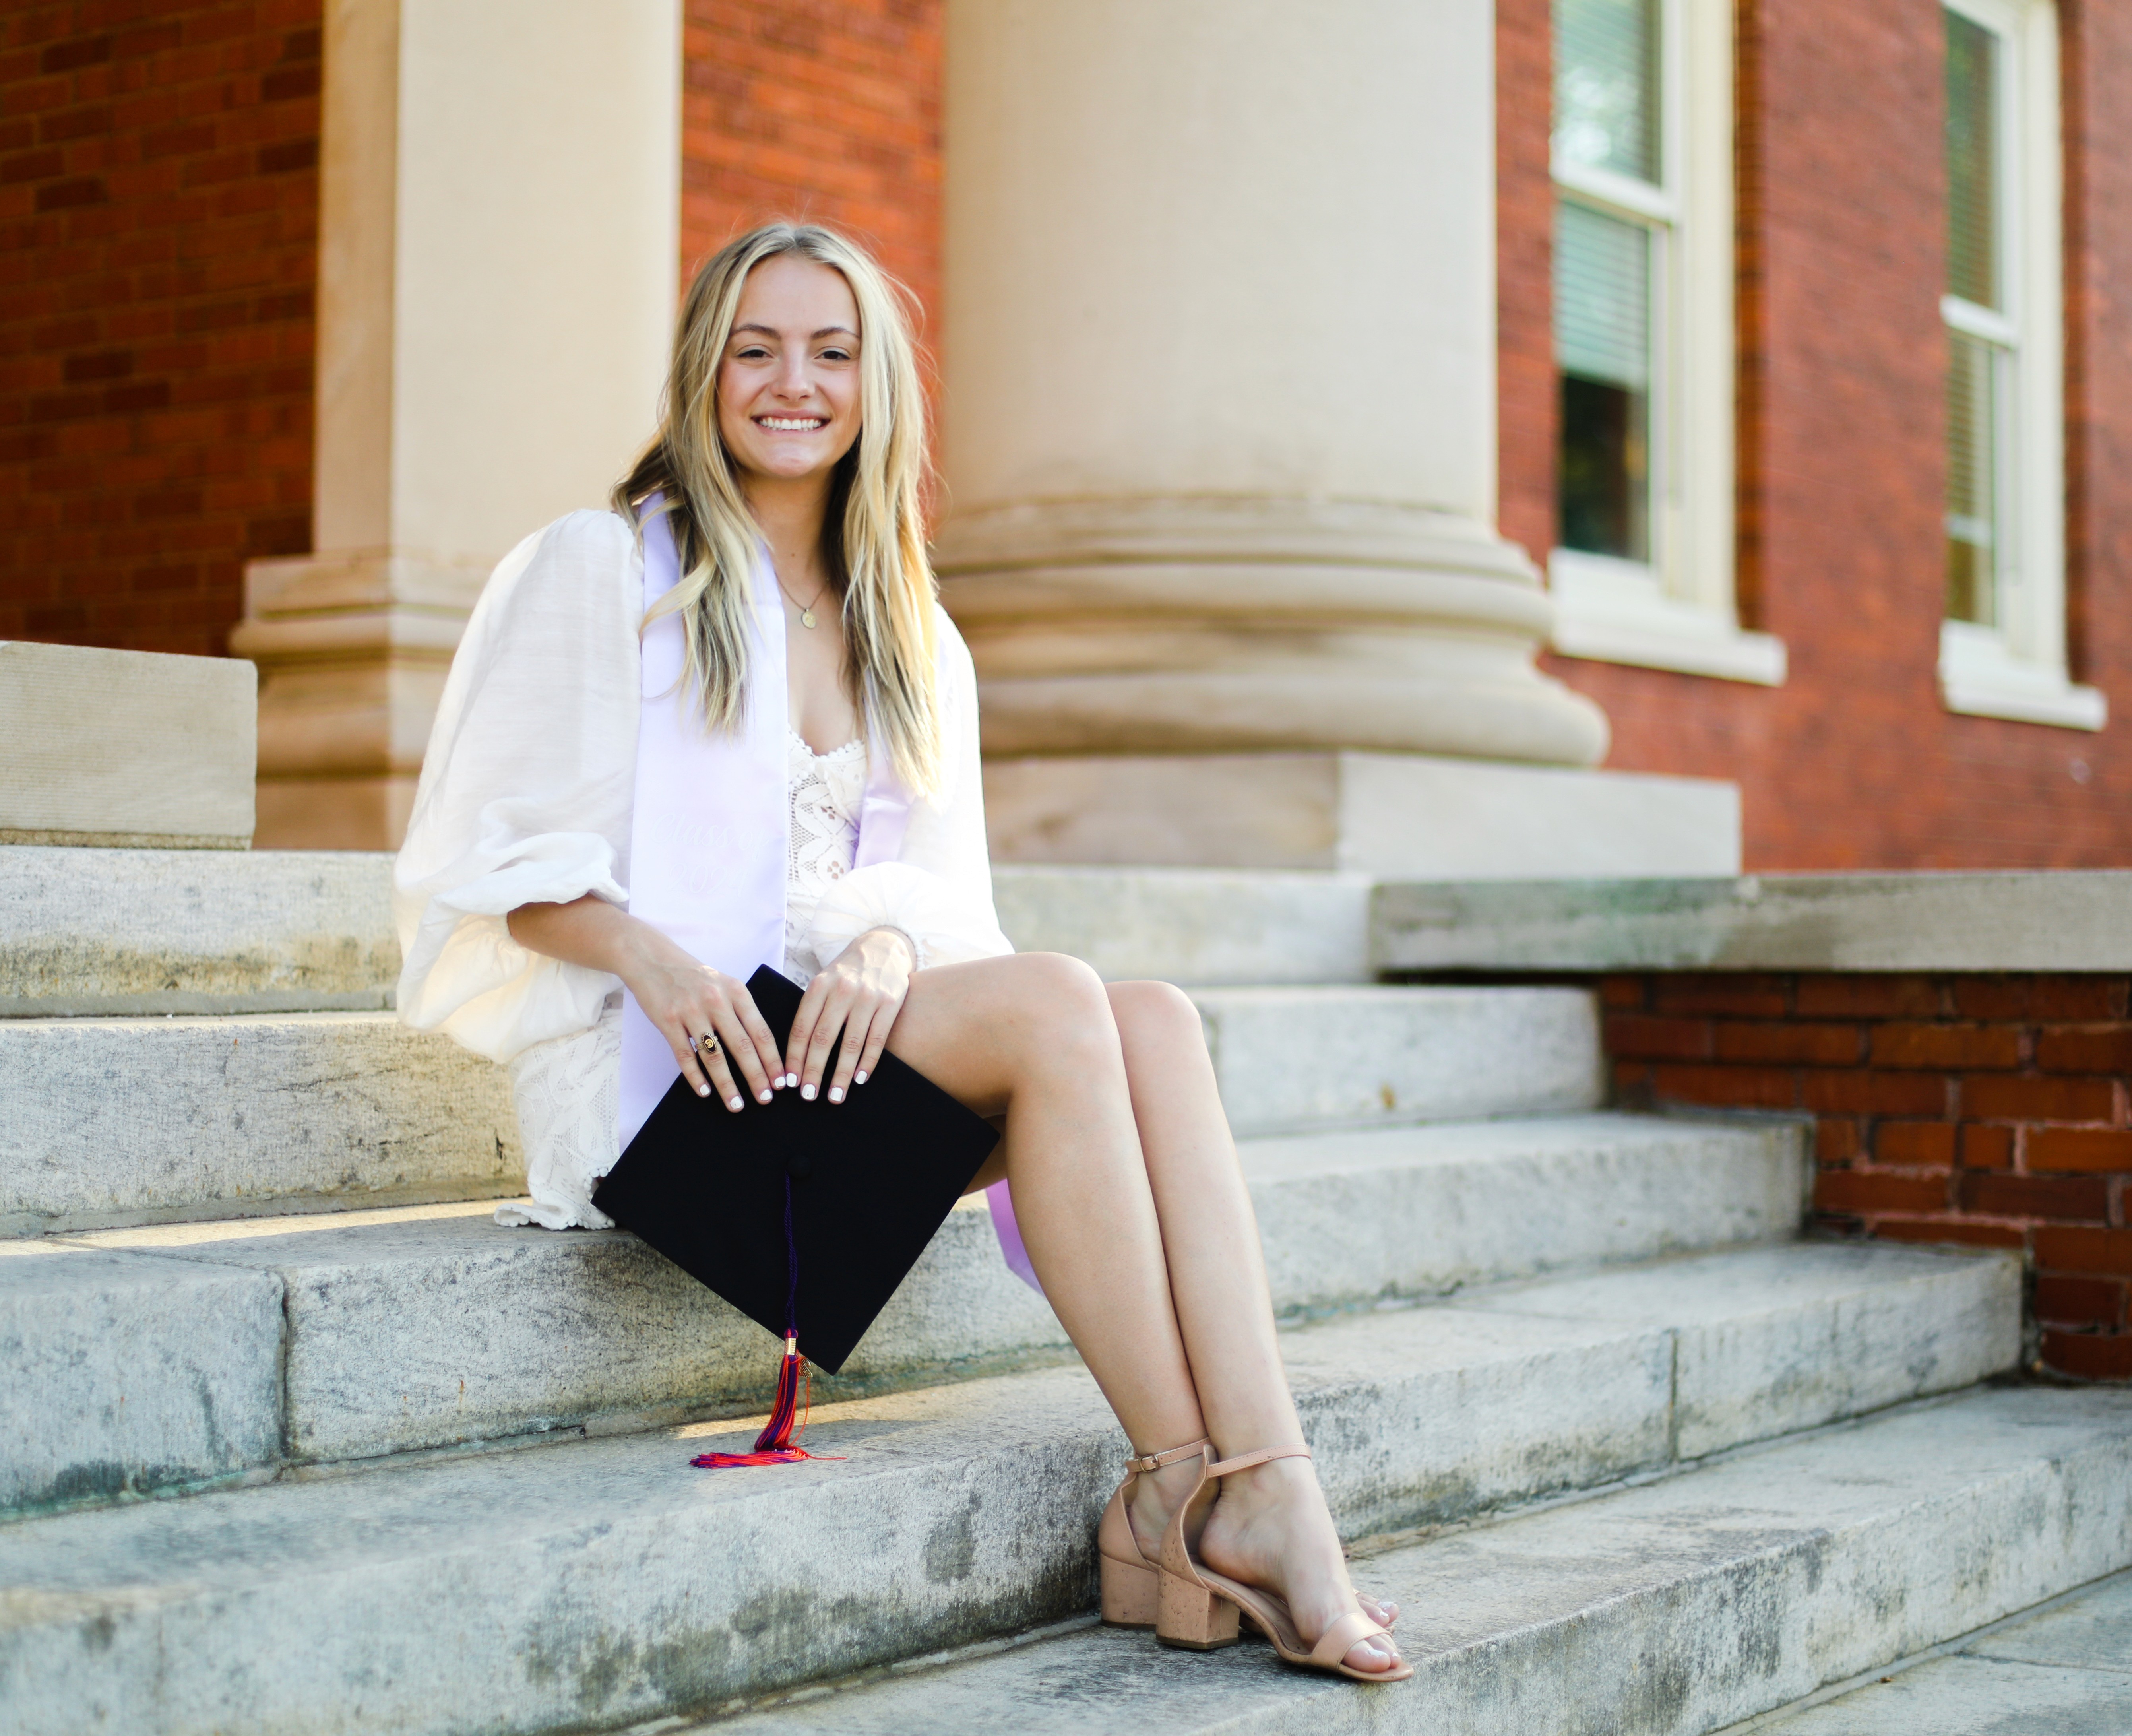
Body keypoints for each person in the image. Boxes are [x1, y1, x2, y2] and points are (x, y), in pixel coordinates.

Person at [393, 222, 1407, 1684]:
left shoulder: (912, 629)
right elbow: (493, 863)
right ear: (703, 371)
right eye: (754, 347)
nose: (790, 381)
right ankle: (1200, 1488)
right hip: (680, 1086)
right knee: (1064, 1004)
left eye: (830, 349)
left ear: (877, 386)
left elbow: (943, 896)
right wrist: (659, 960)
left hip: (833, 1068)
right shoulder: (604, 569)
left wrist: (883, 939)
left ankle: (1253, 1481)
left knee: (1159, 1020)